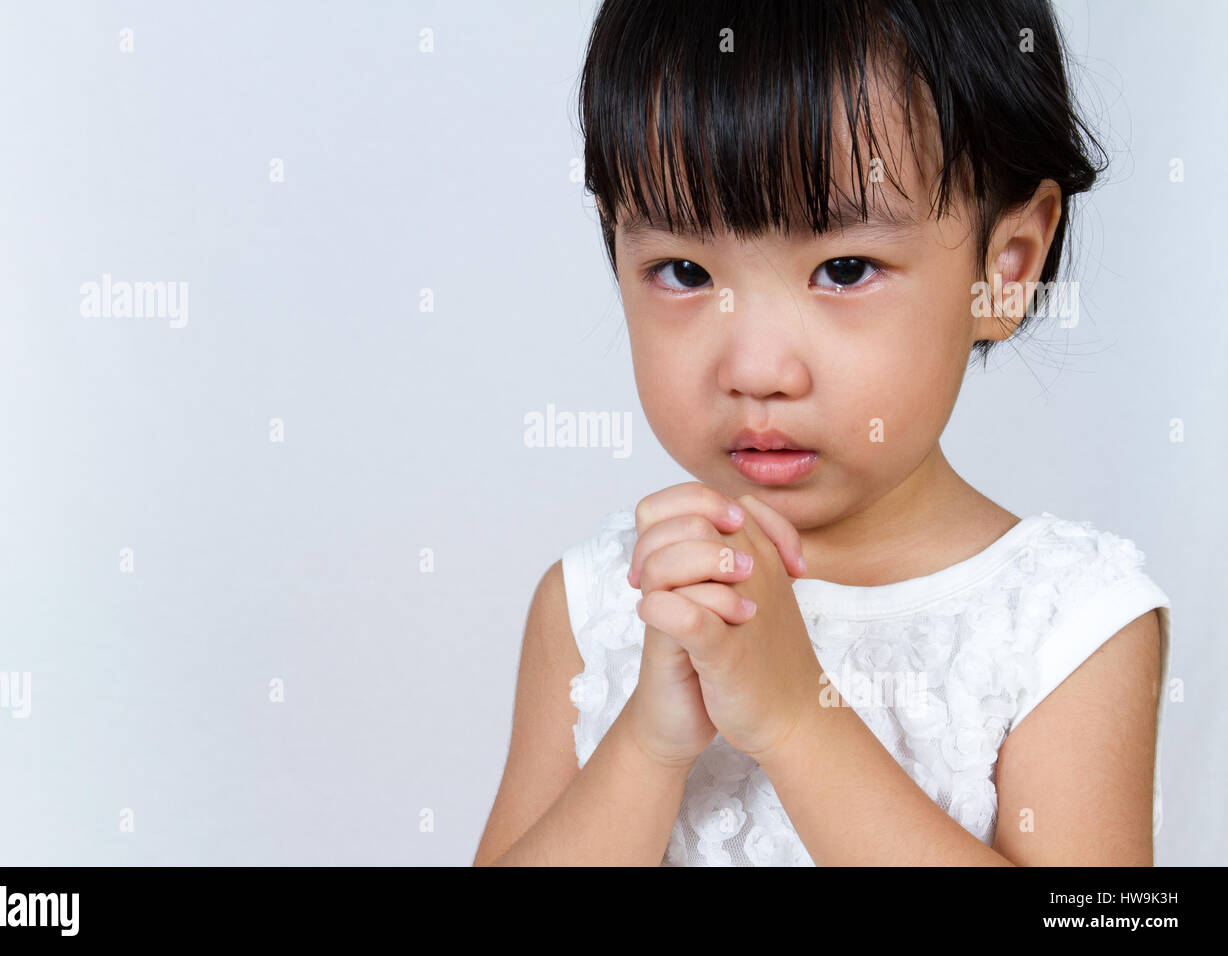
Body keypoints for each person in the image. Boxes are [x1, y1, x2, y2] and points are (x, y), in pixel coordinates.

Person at [474, 0, 1170, 866]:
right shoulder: (599, 606)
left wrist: (797, 720)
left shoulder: (1067, 624)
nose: (758, 366)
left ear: (1006, 267)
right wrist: (647, 746)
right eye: (684, 271)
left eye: (844, 269)